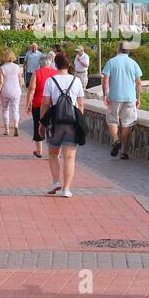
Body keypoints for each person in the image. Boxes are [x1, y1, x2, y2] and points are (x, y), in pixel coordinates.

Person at [41, 52, 87, 197]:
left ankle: (56, 181)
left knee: (53, 153)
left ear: (55, 64)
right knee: (69, 157)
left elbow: (45, 103)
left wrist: (42, 123)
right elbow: (80, 104)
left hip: (55, 122)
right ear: (69, 65)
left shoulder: (50, 81)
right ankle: (66, 189)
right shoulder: (76, 81)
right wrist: (79, 120)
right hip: (71, 122)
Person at [101, 42, 143, 160]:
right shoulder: (133, 63)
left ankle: (116, 140)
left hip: (114, 97)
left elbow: (105, 79)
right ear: (128, 51)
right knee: (127, 124)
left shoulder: (111, 62)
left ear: (118, 49)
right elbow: (138, 82)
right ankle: (123, 151)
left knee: (112, 120)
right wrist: (138, 98)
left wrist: (105, 95)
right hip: (130, 98)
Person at [27, 53, 59, 159]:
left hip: (38, 104)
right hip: (53, 104)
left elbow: (32, 89)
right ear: (50, 63)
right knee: (53, 127)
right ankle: (55, 152)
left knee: (38, 125)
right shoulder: (55, 73)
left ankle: (39, 151)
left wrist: (28, 103)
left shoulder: (36, 73)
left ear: (39, 64)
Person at [0, 49, 24, 135]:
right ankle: (16, 126)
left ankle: (7, 130)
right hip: (16, 90)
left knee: (5, 109)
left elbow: (1, 82)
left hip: (6, 90)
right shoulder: (17, 67)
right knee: (16, 109)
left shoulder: (2, 68)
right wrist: (20, 88)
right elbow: (20, 80)